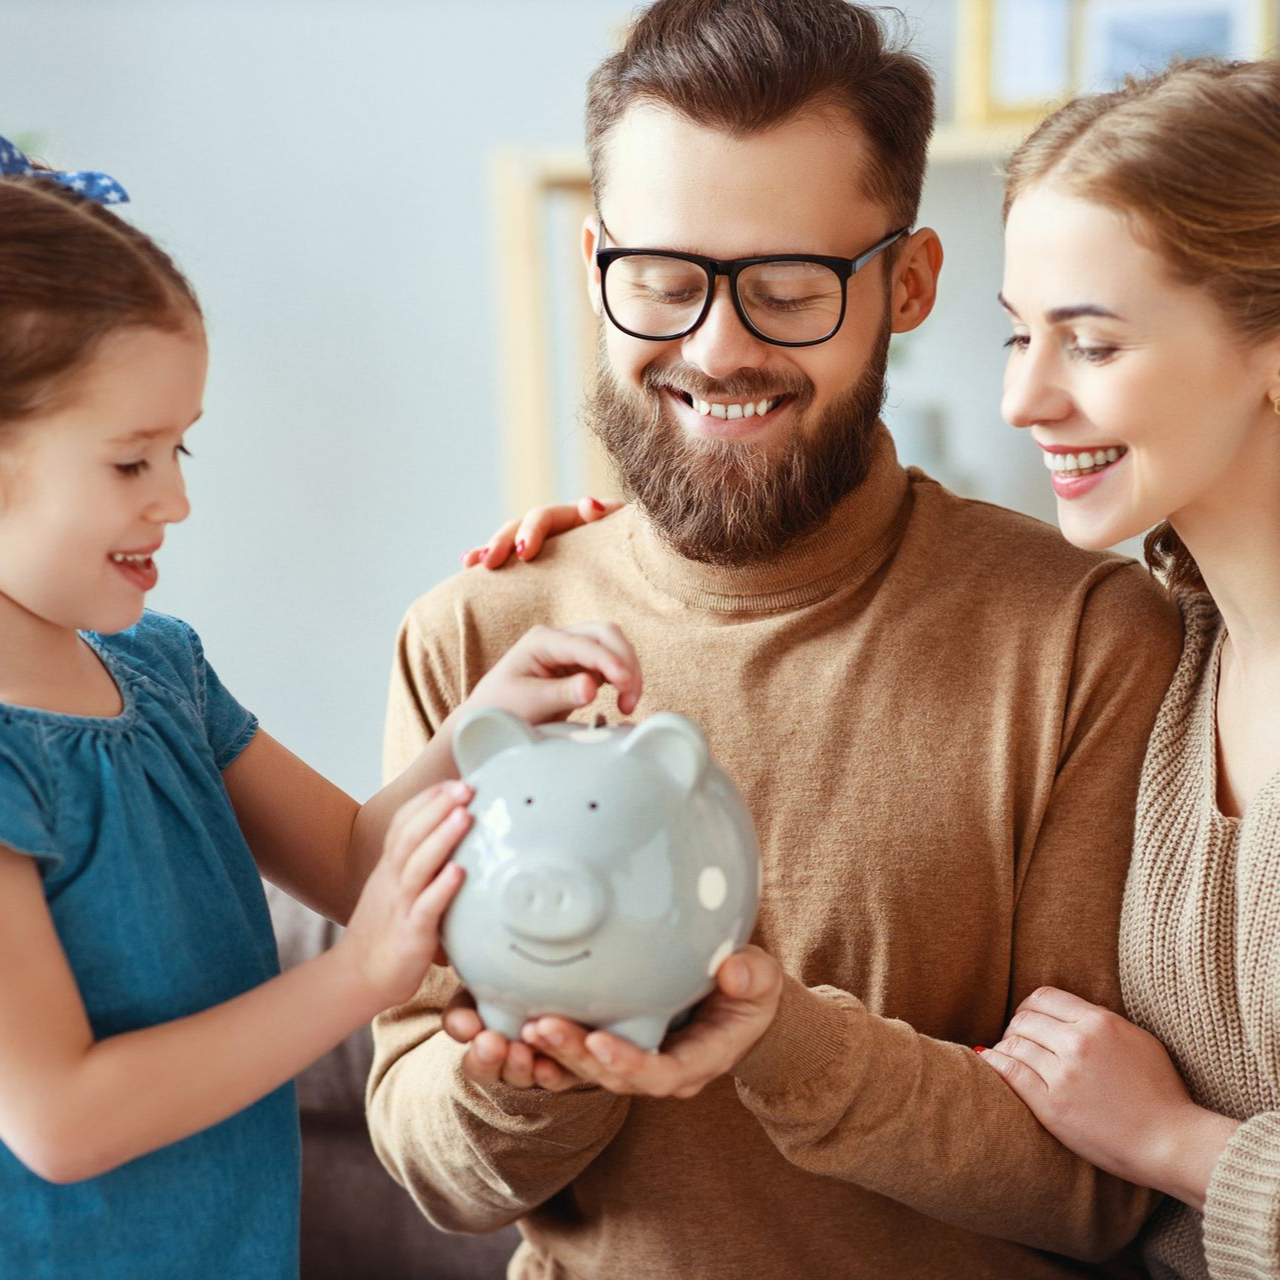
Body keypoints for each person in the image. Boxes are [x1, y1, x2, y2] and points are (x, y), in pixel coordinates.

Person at [367, 2, 1185, 1276]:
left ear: (905, 286)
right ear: (593, 266)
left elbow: (1096, 1188)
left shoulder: (1084, 640)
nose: (715, 347)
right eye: (660, 281)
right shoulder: (482, 634)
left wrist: (777, 1034)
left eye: (789, 290)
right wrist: (543, 1063)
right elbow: (428, 1158)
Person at [0, 148, 641, 1280]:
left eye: (181, 446)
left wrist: (483, 730)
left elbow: (352, 861)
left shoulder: (161, 673)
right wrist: (356, 981)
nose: (178, 497)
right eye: (130, 460)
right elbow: (59, 1117)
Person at [965, 59, 1280, 1280]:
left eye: (1087, 344)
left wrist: (1171, 1141)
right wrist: (634, 548)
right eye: (1015, 333)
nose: (1018, 396)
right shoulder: (1162, 649)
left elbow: (1148, 1133)